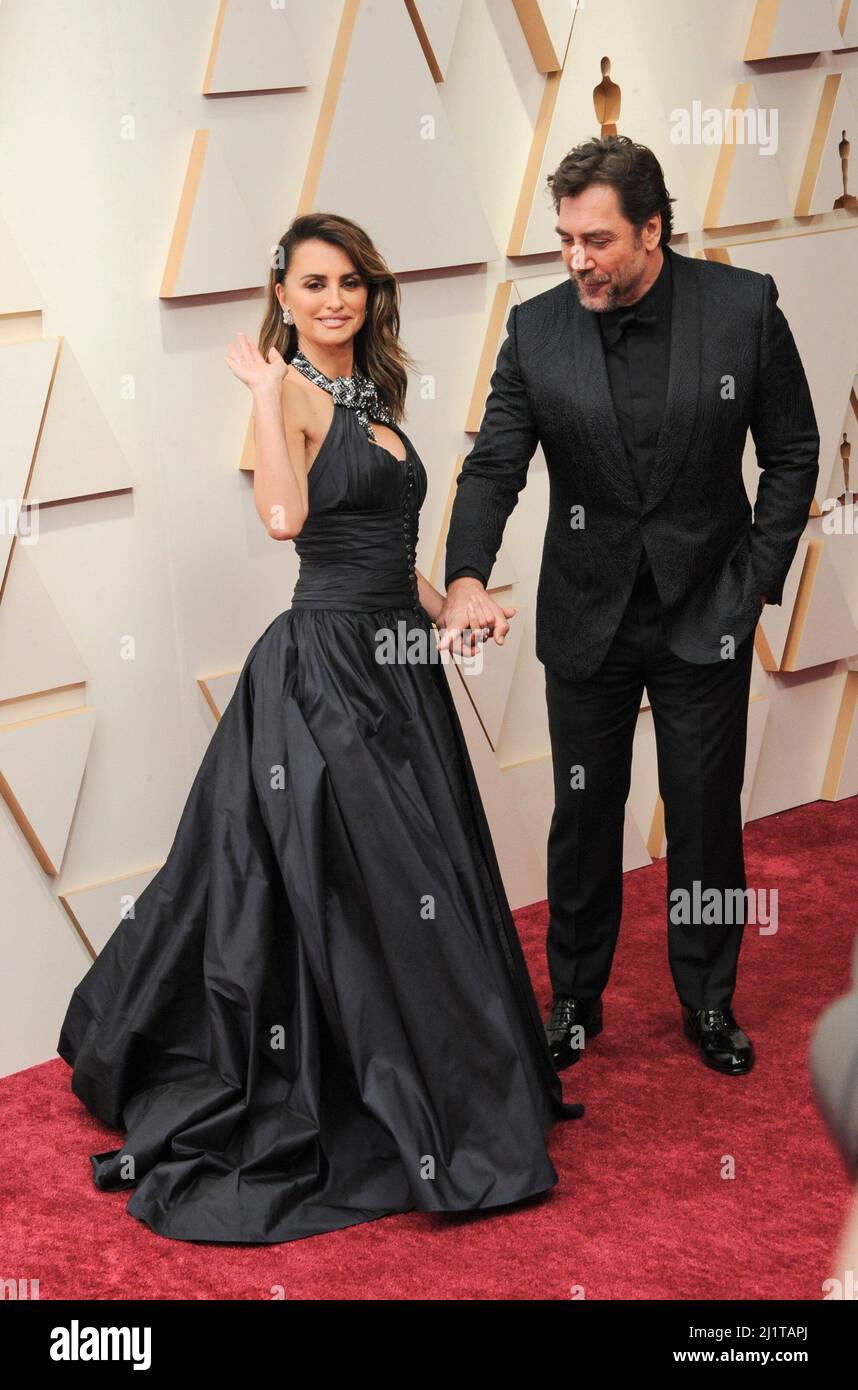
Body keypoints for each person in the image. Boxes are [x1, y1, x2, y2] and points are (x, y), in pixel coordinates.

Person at [56, 211, 583, 1247]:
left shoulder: (371, 395)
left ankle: (432, 1083)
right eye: (312, 284)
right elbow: (289, 523)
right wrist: (262, 397)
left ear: (368, 293)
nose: (333, 299)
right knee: (364, 884)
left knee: (398, 882)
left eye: (348, 282)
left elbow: (386, 545)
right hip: (326, 674)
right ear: (284, 297)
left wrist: (452, 608)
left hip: (396, 663)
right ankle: (403, 1102)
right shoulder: (289, 390)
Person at [439, 135, 820, 1077]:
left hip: (706, 608)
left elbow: (793, 452)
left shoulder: (742, 308)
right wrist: (464, 577)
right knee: (584, 811)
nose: (577, 258)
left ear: (654, 229)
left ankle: (709, 1000)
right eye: (565, 237)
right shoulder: (536, 329)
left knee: (702, 814)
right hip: (587, 611)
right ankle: (574, 998)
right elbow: (495, 465)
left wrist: (753, 580)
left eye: (597, 239)